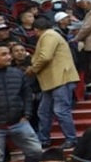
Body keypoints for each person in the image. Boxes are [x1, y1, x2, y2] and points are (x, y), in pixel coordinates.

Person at [27, 16, 79, 148]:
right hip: (52, 80)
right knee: (43, 111)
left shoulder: (49, 35)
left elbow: (45, 57)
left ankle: (71, 139)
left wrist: (33, 69)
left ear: (37, 30)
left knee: (61, 110)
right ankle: (43, 139)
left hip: (60, 78)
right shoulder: (51, 34)